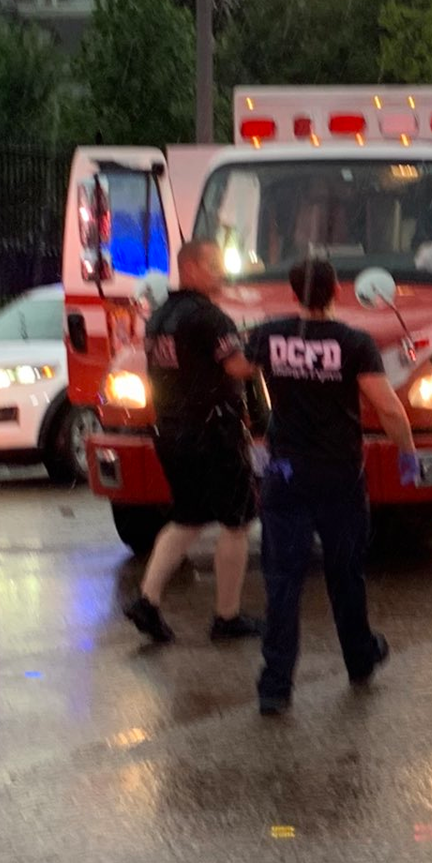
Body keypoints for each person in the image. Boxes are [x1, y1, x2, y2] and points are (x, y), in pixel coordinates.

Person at [246, 257, 421, 716]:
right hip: (339, 473)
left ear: (292, 292)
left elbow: (235, 370)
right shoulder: (353, 342)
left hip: (284, 472)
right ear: (337, 291)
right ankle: (359, 657)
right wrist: (406, 453)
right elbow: (387, 407)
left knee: (283, 579)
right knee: (346, 573)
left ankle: (275, 685)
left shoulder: (268, 335)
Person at [123, 240, 263, 645]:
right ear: (191, 268)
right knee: (237, 521)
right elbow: (237, 366)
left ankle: (147, 600)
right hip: (213, 434)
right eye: (213, 264)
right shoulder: (210, 318)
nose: (221, 271)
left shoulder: (159, 317)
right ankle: (227, 616)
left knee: (187, 517)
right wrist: (268, 350)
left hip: (171, 432)